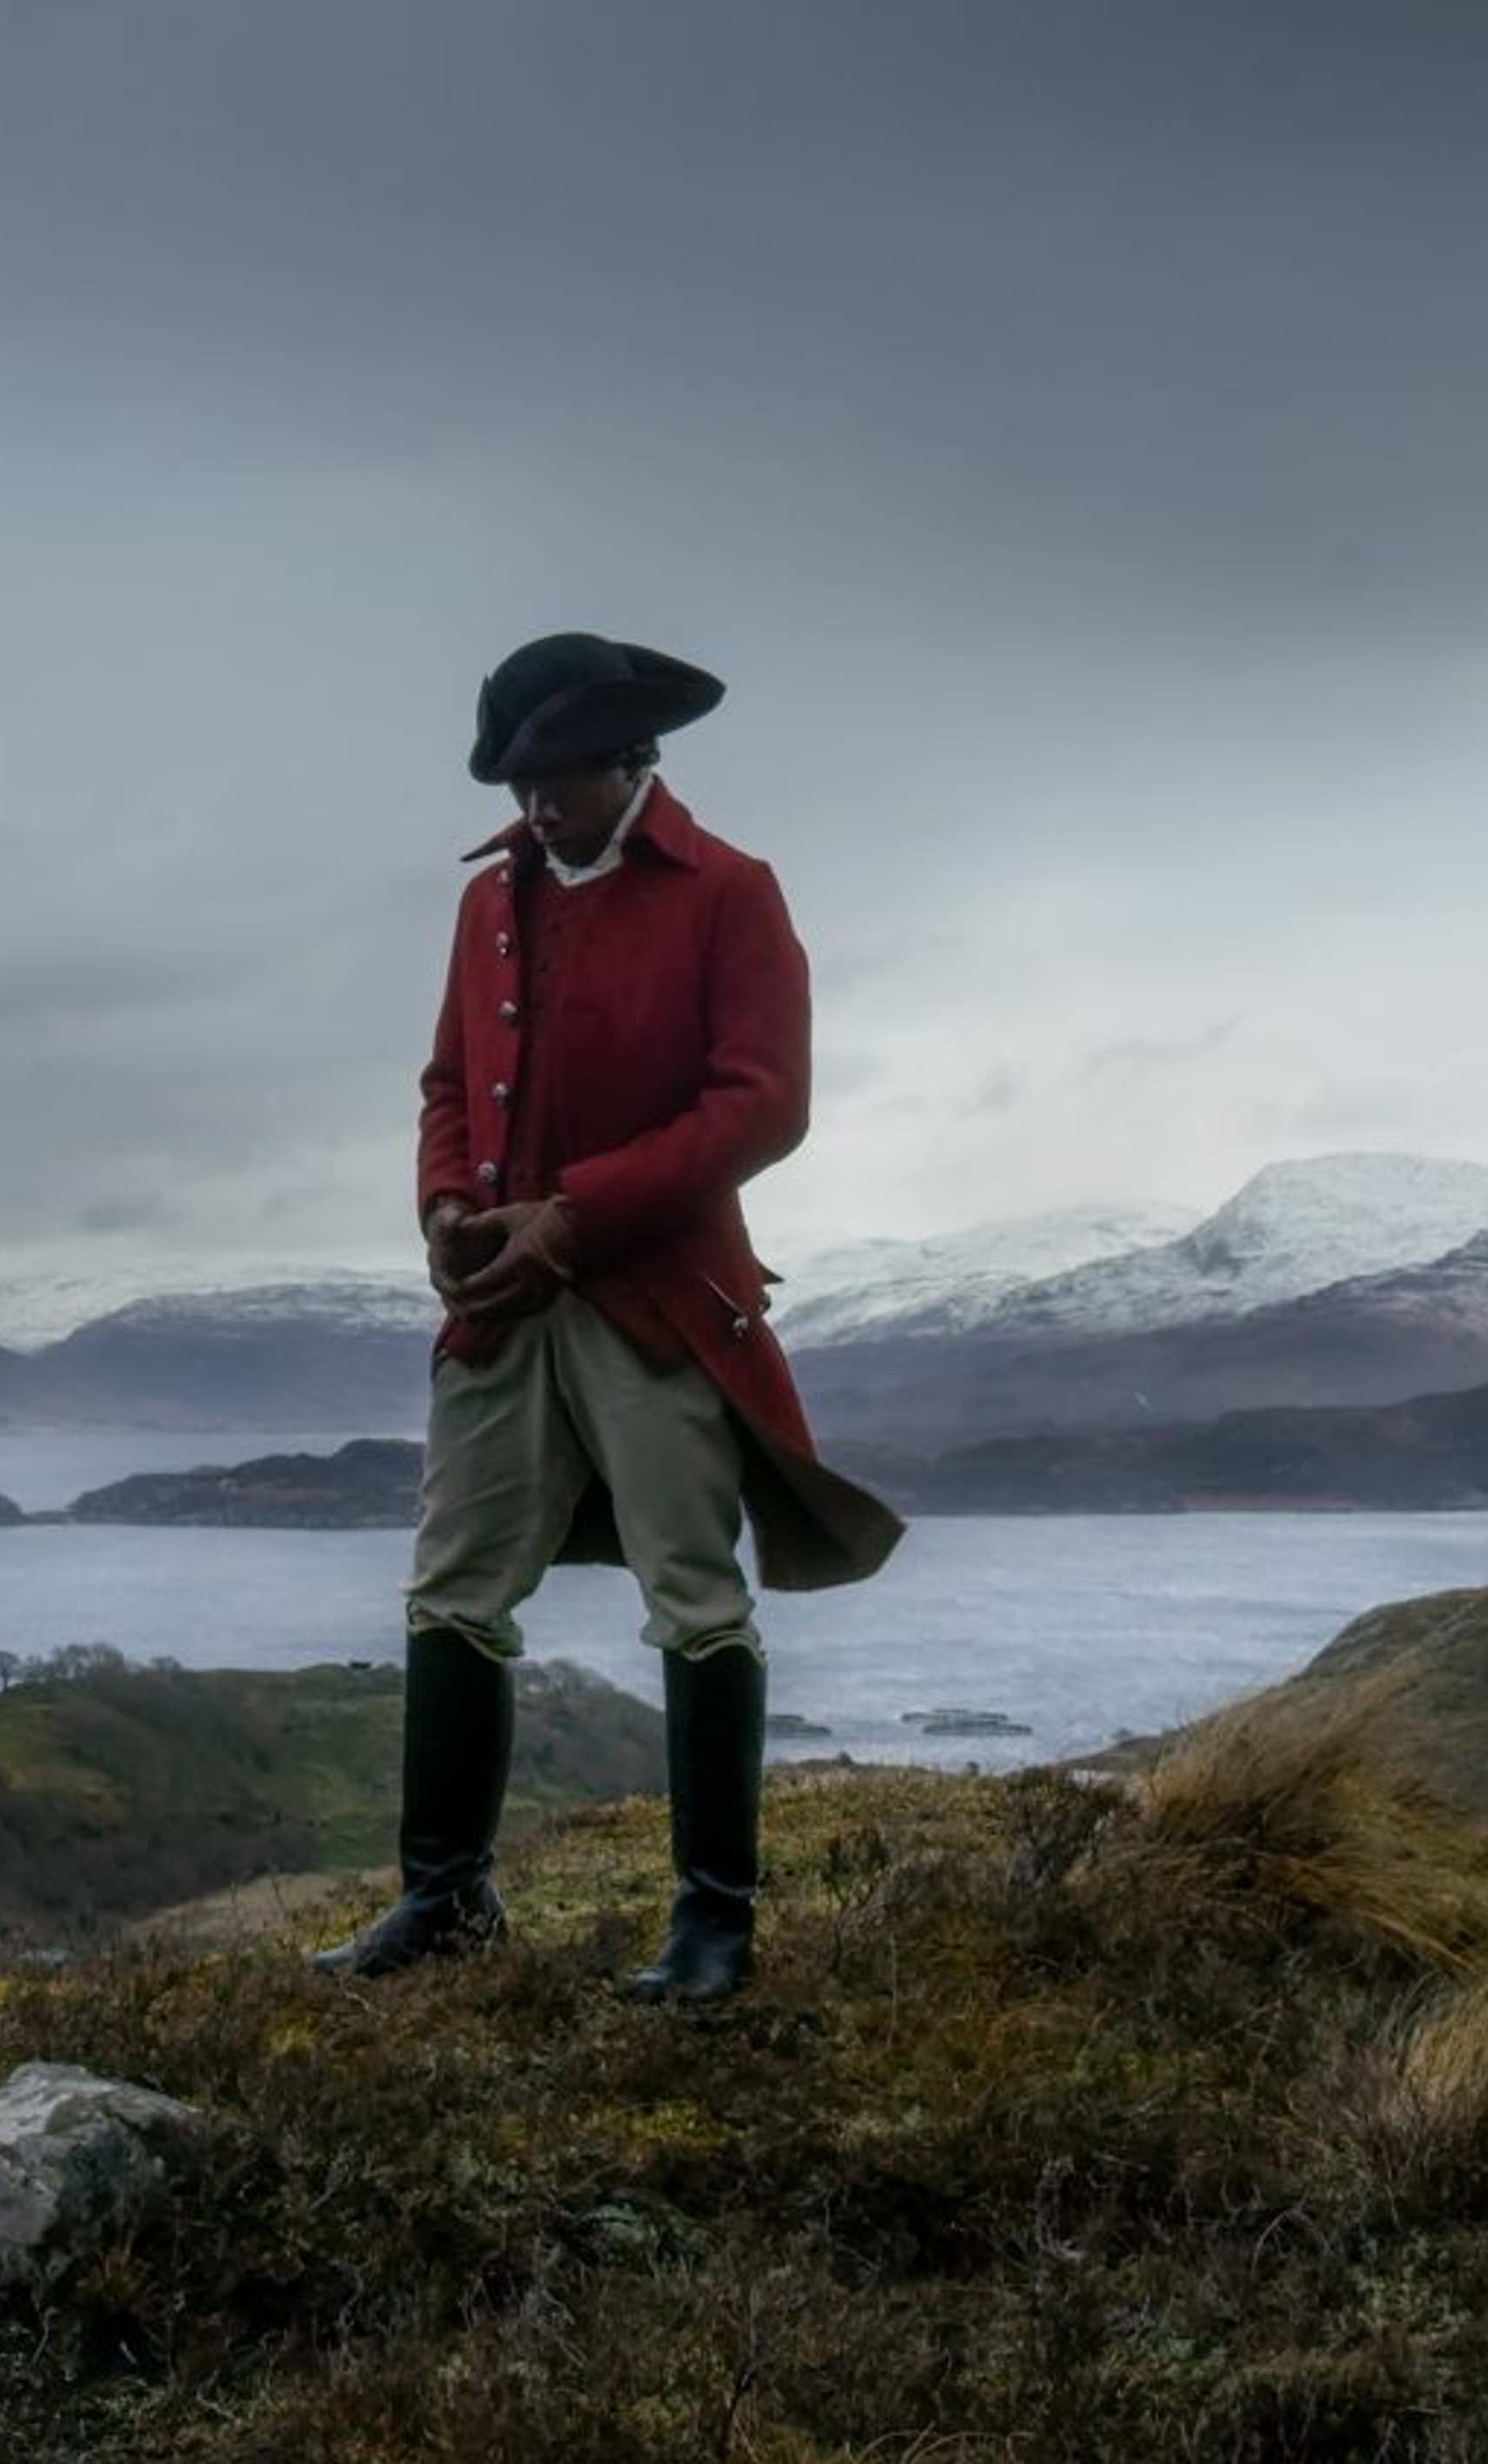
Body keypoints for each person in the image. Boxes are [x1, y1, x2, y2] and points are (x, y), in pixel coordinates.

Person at [314, 631, 905, 2001]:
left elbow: (764, 1107)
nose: (534, 805)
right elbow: (447, 1081)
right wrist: (448, 1211)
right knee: (453, 1586)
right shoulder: (488, 903)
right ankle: (445, 1899)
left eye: (557, 776)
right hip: (499, 1302)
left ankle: (715, 1924)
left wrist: (573, 1217)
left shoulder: (731, 892)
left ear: (634, 757)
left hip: (650, 1296)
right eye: (519, 781)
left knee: (694, 1597)